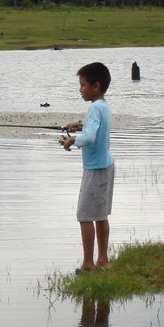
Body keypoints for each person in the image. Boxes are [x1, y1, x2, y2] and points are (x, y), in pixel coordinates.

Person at [61, 62, 115, 273]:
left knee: (84, 216)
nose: (80, 89)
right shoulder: (103, 106)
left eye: (83, 85)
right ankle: (103, 259)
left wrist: (73, 139)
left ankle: (87, 264)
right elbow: (94, 129)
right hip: (107, 165)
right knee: (101, 215)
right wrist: (80, 126)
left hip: (94, 169)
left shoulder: (93, 108)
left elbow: (90, 137)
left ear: (96, 86)